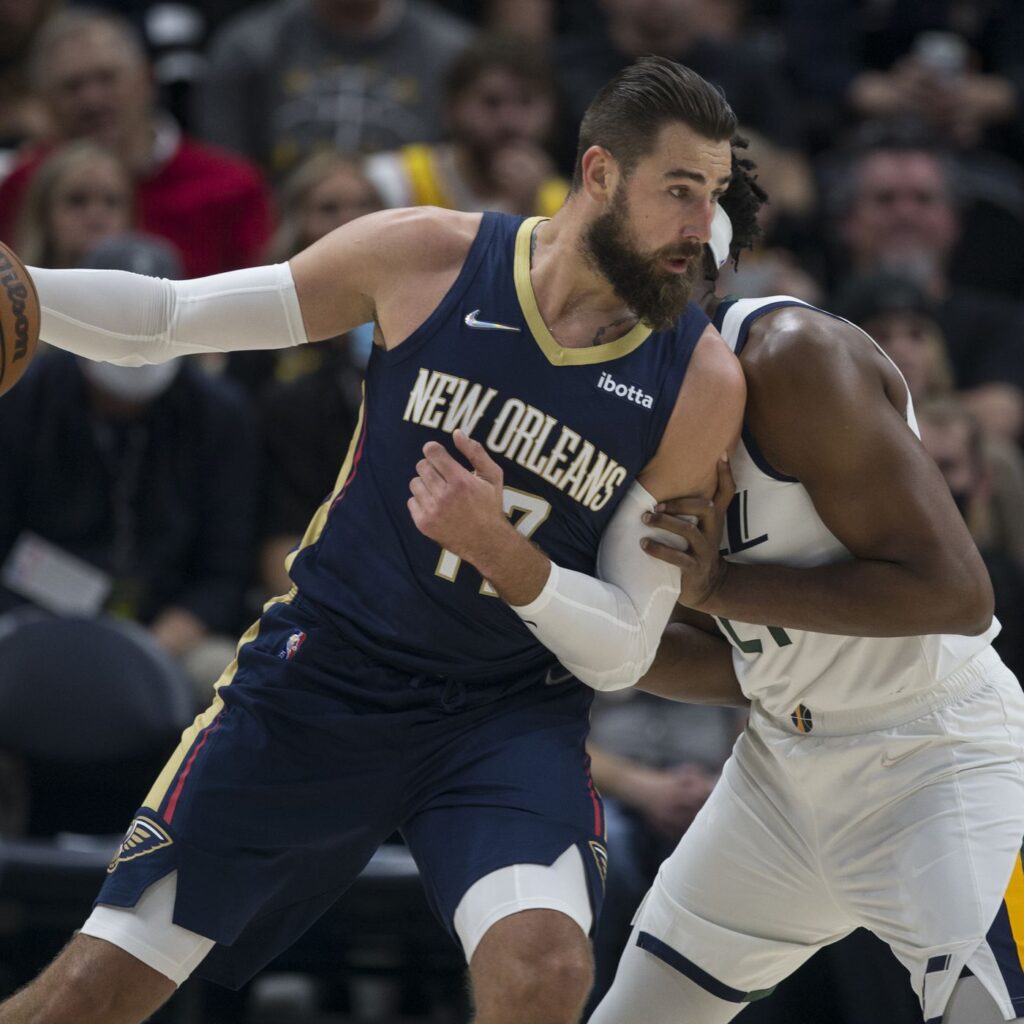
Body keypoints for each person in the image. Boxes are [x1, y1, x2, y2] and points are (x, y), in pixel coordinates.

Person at [0, 56, 745, 1024]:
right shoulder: (428, 254)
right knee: (94, 994)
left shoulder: (699, 379)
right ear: (598, 174)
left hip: (501, 715)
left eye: (716, 196)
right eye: (679, 191)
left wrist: (505, 555)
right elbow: (173, 320)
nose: (703, 226)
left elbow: (626, 647)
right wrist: (27, 292)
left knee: (545, 968)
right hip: (323, 677)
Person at [585, 156, 1024, 1024]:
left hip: (936, 758)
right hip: (779, 774)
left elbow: (956, 594)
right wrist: (534, 602)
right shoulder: (617, 413)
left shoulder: (794, 358)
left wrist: (718, 587)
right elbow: (723, 669)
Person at [0, 8, 272, 278]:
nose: (92, 100)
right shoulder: (20, 187)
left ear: (146, 78)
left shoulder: (231, 187)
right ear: (45, 101)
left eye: (107, 78)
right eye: (72, 87)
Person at [194, 0, 473, 179]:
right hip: (277, 243)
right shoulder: (249, 49)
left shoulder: (451, 54)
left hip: (417, 236)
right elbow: (227, 180)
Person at [365, 33, 569, 218]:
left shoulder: (565, 205)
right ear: (450, 108)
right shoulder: (393, 181)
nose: (509, 121)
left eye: (526, 102)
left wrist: (527, 210)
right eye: (491, 102)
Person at [14, 141, 135, 269]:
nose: (96, 215)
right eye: (77, 200)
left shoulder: (151, 286)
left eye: (111, 202)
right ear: (43, 214)